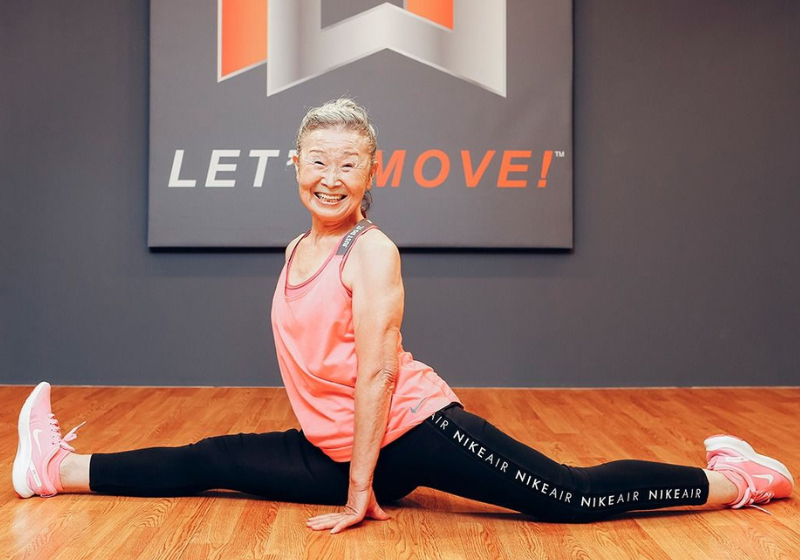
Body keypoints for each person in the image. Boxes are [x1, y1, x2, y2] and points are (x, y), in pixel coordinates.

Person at [12, 99, 793, 533]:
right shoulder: (294, 248)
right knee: (212, 460)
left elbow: (380, 370)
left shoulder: (371, 251)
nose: (329, 176)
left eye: (348, 162)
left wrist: (360, 490)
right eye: (317, 160)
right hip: (336, 444)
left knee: (570, 496)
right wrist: (344, 465)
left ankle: (736, 480)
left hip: (410, 430)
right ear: (295, 166)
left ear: (372, 171)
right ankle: (57, 472)